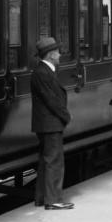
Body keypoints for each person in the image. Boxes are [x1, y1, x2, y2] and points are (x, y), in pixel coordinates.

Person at [31, 36, 73, 210]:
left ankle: (42, 197)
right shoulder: (43, 73)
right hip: (50, 123)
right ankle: (53, 199)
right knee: (54, 161)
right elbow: (52, 100)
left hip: (46, 124)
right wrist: (66, 116)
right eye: (57, 52)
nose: (60, 55)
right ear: (50, 55)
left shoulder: (43, 71)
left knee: (46, 160)